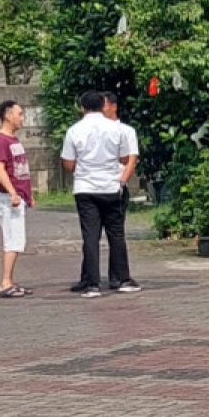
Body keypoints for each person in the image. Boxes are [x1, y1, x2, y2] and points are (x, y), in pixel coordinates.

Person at [61, 90, 140, 298]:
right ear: (101, 105)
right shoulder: (117, 130)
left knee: (90, 236)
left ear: (82, 107)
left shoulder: (74, 130)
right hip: (111, 187)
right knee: (116, 234)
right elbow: (124, 158)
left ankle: (92, 284)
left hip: (85, 188)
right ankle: (123, 279)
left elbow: (68, 164)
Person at [0, 100, 33, 298]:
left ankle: (10, 280)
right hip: (10, 199)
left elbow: (20, 170)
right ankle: (5, 283)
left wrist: (27, 195)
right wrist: (13, 193)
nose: (22, 118)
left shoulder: (14, 140)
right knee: (13, 240)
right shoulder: (1, 140)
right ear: (8, 116)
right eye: (20, 114)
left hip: (18, 197)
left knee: (18, 240)